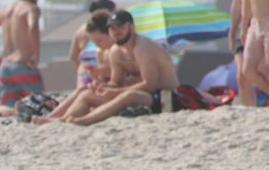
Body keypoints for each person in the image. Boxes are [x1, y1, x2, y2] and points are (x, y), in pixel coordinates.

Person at [36, 10, 178, 126]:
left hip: (164, 97)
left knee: (129, 95)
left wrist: (113, 92)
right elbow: (116, 82)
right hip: (142, 96)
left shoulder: (142, 47)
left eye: (121, 27)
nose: (117, 31)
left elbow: (150, 84)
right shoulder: (116, 51)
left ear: (132, 27)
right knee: (87, 92)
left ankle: (84, 120)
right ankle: (60, 119)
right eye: (112, 28)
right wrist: (103, 87)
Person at [69, 0, 116, 88]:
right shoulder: (107, 31)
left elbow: (73, 56)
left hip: (86, 69)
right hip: (100, 72)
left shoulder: (81, 30)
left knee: (81, 93)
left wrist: (84, 67)